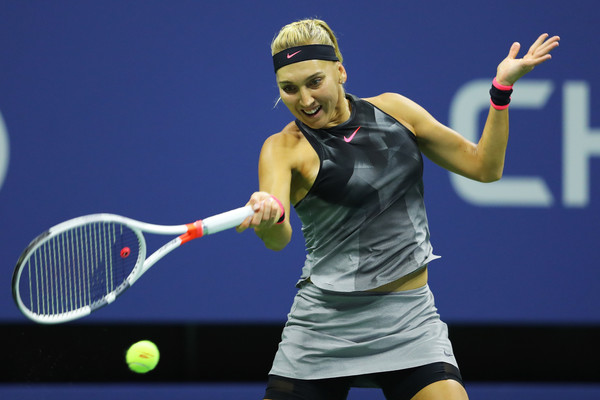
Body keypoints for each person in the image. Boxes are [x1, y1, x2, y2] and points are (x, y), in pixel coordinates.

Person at [237, 19, 559, 400]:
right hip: (324, 326)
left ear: (340, 71)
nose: (304, 100)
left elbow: (484, 168)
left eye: (314, 82)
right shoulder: (282, 147)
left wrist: (501, 90)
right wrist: (269, 218)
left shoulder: (394, 110)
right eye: (288, 89)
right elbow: (278, 238)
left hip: (409, 320)